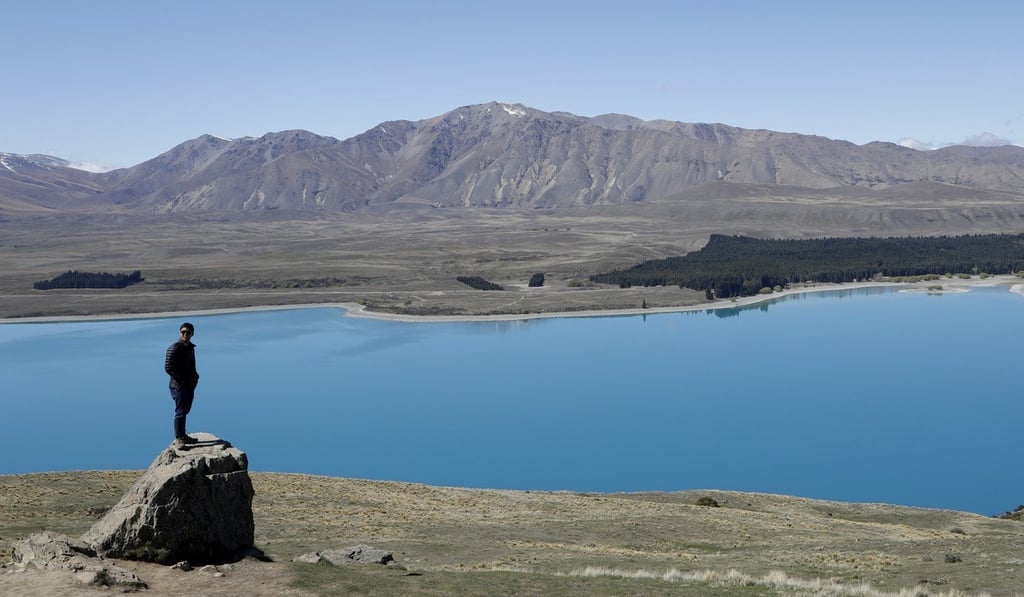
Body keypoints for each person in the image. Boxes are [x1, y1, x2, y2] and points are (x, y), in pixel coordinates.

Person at [164, 322, 200, 444]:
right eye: (183, 332)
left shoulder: (190, 348)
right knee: (180, 412)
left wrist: (195, 377)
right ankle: (179, 438)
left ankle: (183, 435)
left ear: (192, 334)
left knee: (186, 410)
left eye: (188, 332)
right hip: (178, 386)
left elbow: (191, 367)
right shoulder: (174, 348)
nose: (185, 334)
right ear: (180, 333)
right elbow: (168, 368)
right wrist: (181, 380)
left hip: (189, 385)